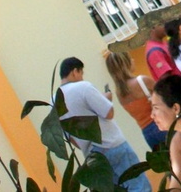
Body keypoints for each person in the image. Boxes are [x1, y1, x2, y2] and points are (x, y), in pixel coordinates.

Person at [58, 57, 152, 192]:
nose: (82, 77)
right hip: (114, 145)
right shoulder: (84, 87)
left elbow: (70, 138)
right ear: (75, 72)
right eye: (81, 73)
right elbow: (109, 113)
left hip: (93, 157)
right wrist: (106, 99)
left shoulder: (55, 101)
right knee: (139, 186)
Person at [105, 51, 166, 149]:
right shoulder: (142, 81)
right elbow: (166, 96)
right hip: (162, 124)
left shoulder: (119, 93)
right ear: (126, 64)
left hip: (147, 133)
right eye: (130, 59)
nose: (133, 60)